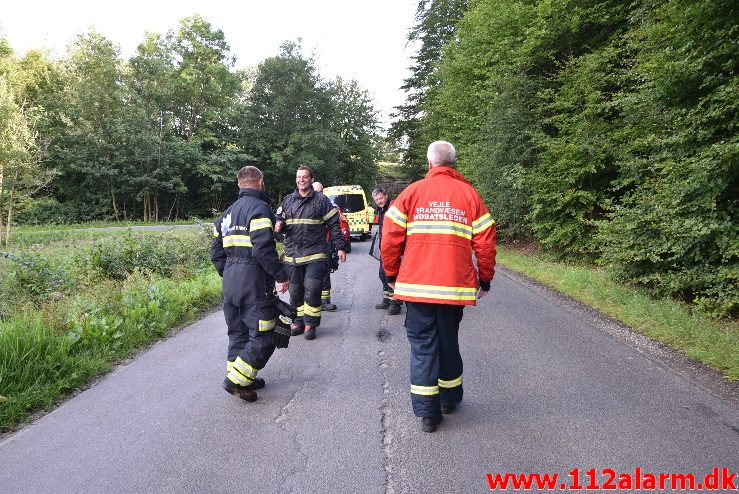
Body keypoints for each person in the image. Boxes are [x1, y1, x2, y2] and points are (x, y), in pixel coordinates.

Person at [380, 141, 496, 433]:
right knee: (448, 341)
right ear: (454, 164)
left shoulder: (412, 193)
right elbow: (485, 241)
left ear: (430, 163)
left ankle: (428, 414)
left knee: (422, 348)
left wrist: (391, 274)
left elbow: (390, 236)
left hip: (417, 287)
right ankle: (449, 399)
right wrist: (485, 278)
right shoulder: (469, 195)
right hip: (453, 288)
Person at [211, 166, 290, 402]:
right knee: (264, 334)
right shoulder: (260, 209)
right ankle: (235, 381)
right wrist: (280, 275)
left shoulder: (226, 214)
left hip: (231, 280)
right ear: (260, 182)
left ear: (239, 184)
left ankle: (243, 377)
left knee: (238, 333)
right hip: (254, 281)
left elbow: (215, 252)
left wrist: (229, 273)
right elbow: (263, 249)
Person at [275, 166, 346, 340]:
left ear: (311, 179)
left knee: (313, 289)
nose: (301, 180)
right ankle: (298, 321)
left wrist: (340, 246)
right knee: (296, 291)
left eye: (305, 177)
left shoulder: (321, 200)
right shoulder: (287, 200)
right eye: (299, 177)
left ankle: (310, 324)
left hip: (316, 253)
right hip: (292, 254)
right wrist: (278, 225)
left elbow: (334, 224)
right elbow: (278, 218)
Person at [371, 187, 401, 316]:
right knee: (382, 275)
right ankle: (387, 300)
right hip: (385, 248)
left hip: (393, 248)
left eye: (381, 198)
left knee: (392, 275)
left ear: (386, 196)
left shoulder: (393, 207)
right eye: (376, 199)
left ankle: (396, 303)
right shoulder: (381, 210)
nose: (379, 201)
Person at [313, 181, 338, 312]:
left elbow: (334, 225)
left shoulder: (327, 204)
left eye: (320, 191)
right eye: (316, 191)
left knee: (325, 273)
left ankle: (324, 300)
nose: (318, 194)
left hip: (325, 244)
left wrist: (338, 246)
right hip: (310, 246)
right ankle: (313, 300)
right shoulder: (306, 204)